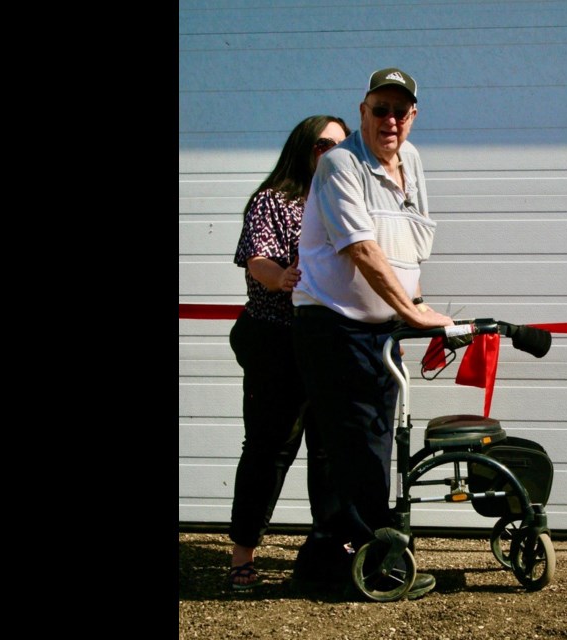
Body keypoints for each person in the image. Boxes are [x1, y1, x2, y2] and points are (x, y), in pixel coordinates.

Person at [290, 68, 452, 600]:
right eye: (379, 108)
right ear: (362, 110)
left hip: (380, 328)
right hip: (335, 326)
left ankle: (324, 560)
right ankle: (372, 563)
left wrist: (417, 305)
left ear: (413, 117)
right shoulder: (340, 164)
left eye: (399, 112)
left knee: (370, 443)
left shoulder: (412, 163)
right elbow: (360, 249)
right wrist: (413, 310)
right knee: (357, 444)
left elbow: (406, 245)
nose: (389, 121)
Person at [227, 114, 352, 590]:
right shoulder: (273, 200)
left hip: (328, 342)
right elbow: (257, 257)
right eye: (322, 144)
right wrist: (278, 277)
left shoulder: (347, 201)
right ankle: (242, 555)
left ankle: (327, 551)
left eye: (340, 147)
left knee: (329, 453)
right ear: (303, 147)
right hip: (275, 340)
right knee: (268, 450)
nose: (330, 153)